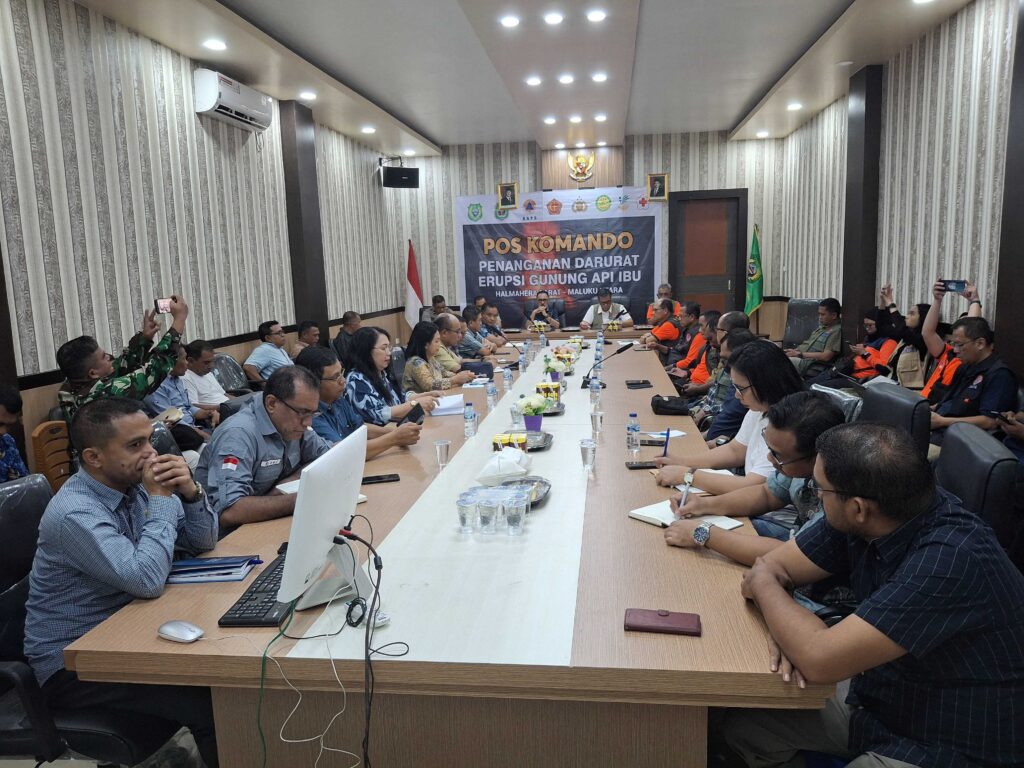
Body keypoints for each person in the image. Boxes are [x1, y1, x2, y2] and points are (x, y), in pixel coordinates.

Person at [717, 422, 1024, 768]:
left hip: (956, 740)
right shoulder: (873, 511)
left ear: (859, 508)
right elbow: (771, 567)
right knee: (749, 726)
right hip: (884, 696)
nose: (817, 495)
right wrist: (785, 626)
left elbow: (818, 657)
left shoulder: (952, 559)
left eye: (821, 489)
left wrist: (777, 608)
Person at [24, 398, 218, 767]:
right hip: (74, 662)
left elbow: (202, 541)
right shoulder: (74, 513)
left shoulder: (133, 484)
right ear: (94, 458)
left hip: (127, 631)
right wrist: (162, 500)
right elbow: (144, 579)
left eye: (149, 440)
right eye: (135, 445)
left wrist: (192, 494)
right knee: (210, 700)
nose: (150, 453)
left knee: (224, 672)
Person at [666, 391, 846, 559]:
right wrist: (703, 504)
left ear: (817, 458)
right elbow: (767, 494)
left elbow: (794, 556)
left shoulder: (837, 498)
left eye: (777, 455)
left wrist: (704, 533)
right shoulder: (797, 464)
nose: (769, 458)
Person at [655, 340, 804, 495]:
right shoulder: (759, 407)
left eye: (741, 388)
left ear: (766, 383)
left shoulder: (790, 424)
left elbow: (753, 486)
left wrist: (686, 475)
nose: (736, 395)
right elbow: (736, 450)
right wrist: (682, 462)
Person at [195, 366, 331, 534]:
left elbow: (327, 457)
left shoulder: (293, 424)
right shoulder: (237, 435)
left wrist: (290, 481)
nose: (308, 422)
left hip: (269, 522)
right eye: (302, 413)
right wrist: (301, 500)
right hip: (231, 538)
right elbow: (229, 512)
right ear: (272, 403)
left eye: (312, 413)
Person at [56, 295, 189, 422]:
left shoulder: (71, 387)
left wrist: (144, 339)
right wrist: (179, 320)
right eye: (103, 357)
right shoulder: (104, 394)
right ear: (92, 373)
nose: (109, 357)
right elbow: (155, 369)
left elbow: (120, 367)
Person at [295, 346, 422, 458]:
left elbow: (360, 428)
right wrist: (394, 438)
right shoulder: (310, 416)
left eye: (341, 373)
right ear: (313, 383)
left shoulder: (337, 399)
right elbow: (342, 453)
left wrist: (395, 433)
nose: (343, 380)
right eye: (336, 377)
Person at [929, 315, 1017, 445]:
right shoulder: (965, 367)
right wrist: (928, 409)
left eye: (959, 345)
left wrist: (942, 421)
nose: (955, 350)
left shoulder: (999, 375)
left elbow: (990, 421)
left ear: (980, 343)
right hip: (940, 428)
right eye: (953, 344)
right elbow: (952, 400)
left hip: (960, 440)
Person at [345, 327, 439, 425]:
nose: (389, 353)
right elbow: (379, 414)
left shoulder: (380, 373)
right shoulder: (356, 380)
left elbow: (400, 398)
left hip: (397, 429)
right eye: (383, 348)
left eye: (389, 347)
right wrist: (414, 403)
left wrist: (424, 395)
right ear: (366, 350)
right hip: (382, 435)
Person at [919, 279, 984, 405]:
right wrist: (937, 300)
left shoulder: (970, 361)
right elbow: (927, 332)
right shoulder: (947, 352)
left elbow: (973, 329)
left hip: (938, 411)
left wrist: (974, 301)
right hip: (921, 402)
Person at [143, 345, 216, 451]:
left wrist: (210, 412)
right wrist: (202, 434)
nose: (187, 363)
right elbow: (170, 419)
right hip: (180, 435)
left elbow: (188, 407)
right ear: (170, 362)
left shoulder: (177, 379)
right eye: (184, 359)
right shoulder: (155, 386)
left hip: (195, 427)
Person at [699, 329, 756, 443]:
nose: (724, 364)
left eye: (726, 359)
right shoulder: (754, 412)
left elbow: (737, 451)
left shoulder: (746, 381)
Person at [403, 321, 475, 393]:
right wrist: (455, 379)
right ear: (426, 344)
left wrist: (465, 376)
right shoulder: (415, 363)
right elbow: (430, 386)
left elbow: (444, 373)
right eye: (436, 341)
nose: (439, 344)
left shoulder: (431, 359)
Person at [784, 298, 842, 379]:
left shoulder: (836, 331)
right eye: (819, 314)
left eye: (823, 314)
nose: (819, 317)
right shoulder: (823, 328)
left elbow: (826, 356)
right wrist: (795, 351)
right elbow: (808, 345)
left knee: (779, 363)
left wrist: (800, 354)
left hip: (809, 364)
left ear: (834, 315)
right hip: (800, 356)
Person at [670, 310, 720, 391]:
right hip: (692, 383)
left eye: (701, 326)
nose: (700, 330)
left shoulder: (722, 352)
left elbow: (718, 382)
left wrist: (698, 388)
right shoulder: (708, 346)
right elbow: (700, 367)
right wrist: (688, 372)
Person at [434, 313, 494, 377]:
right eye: (457, 332)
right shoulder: (438, 348)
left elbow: (461, 361)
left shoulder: (445, 345)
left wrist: (482, 360)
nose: (460, 336)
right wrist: (487, 365)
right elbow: (460, 370)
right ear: (444, 333)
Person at [0, 384, 28, 482]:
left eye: (9, 426)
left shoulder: (7, 442)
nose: (3, 432)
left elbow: (24, 483)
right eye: (0, 424)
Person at [664, 301, 702, 369]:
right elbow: (678, 350)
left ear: (692, 317)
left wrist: (668, 368)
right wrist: (658, 346)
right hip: (673, 365)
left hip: (679, 370)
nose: (679, 319)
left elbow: (690, 361)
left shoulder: (699, 334)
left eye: (681, 316)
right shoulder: (686, 330)